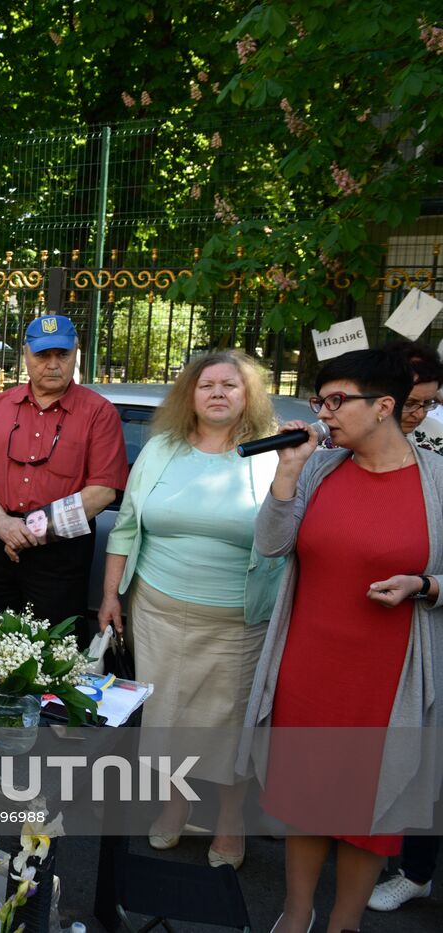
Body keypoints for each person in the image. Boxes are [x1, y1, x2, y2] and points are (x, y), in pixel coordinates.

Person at [241, 348, 443, 933]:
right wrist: (286, 470)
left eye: (337, 401)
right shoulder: (321, 468)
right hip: (310, 664)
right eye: (320, 401)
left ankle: (344, 922)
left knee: (371, 803)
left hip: (388, 672)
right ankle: (297, 910)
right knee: (308, 794)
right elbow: (272, 545)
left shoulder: (436, 481)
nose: (325, 414)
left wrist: (425, 584)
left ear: (384, 407)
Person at [97, 350, 284, 870]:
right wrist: (111, 596)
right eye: (207, 385)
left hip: (237, 621)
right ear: (190, 395)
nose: (218, 392)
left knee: (229, 726)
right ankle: (175, 807)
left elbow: (286, 536)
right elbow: (128, 525)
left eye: (230, 384)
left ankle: (229, 821)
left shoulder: (269, 455)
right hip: (156, 612)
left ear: (248, 396)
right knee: (166, 719)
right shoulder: (161, 450)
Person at [0, 314, 127, 646]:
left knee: (53, 652)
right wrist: (3, 525)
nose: (52, 364)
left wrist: (31, 530)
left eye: (62, 355)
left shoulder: (99, 413)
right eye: (42, 355)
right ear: (26, 355)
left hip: (59, 551)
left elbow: (103, 491)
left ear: (76, 353)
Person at [368, 340, 443, 912]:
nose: (415, 416)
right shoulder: (349, 457)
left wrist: (429, 586)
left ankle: (415, 868)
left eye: (425, 405)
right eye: (409, 404)